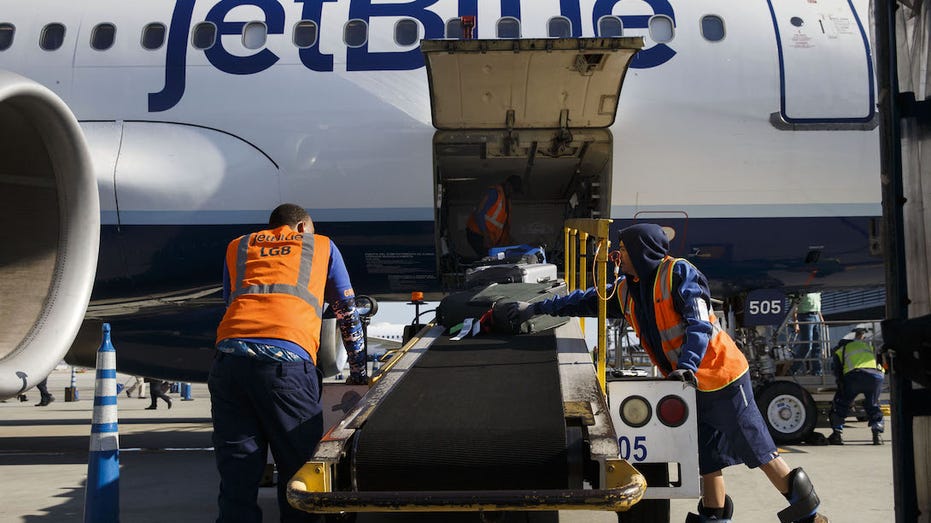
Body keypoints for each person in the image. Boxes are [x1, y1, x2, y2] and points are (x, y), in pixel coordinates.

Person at [501, 223, 827, 523]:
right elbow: (585, 301)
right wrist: (536, 308)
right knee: (708, 459)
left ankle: (808, 513)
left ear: (643, 251)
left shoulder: (679, 274)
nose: (619, 256)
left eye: (624, 250)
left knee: (759, 450)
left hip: (721, 376)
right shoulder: (628, 289)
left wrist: (686, 366)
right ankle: (714, 515)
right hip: (689, 384)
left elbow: (699, 322)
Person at [210, 203, 367, 523]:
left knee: (237, 476)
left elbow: (232, 301)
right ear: (301, 228)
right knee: (299, 476)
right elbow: (346, 311)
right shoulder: (321, 245)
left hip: (230, 363)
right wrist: (358, 371)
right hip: (286, 367)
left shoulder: (238, 246)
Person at [828, 326, 885, 446]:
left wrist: (841, 385)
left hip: (855, 376)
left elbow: (837, 370)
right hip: (876, 376)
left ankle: (837, 434)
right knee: (873, 405)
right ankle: (877, 434)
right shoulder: (868, 346)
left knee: (841, 404)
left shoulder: (841, 350)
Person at [466, 175, 522, 257]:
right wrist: (486, 235)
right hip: (477, 233)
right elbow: (479, 214)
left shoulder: (506, 201)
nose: (513, 193)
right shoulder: (495, 193)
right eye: (513, 190)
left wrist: (511, 241)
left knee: (492, 259)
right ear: (507, 185)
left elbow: (502, 227)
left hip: (487, 237)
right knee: (488, 259)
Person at [790, 292, 824, 376]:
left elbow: (817, 306)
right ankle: (793, 369)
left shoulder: (817, 291)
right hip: (805, 316)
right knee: (807, 345)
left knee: (817, 345)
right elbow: (794, 306)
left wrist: (821, 318)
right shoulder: (801, 289)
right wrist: (795, 322)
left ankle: (817, 370)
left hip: (816, 316)